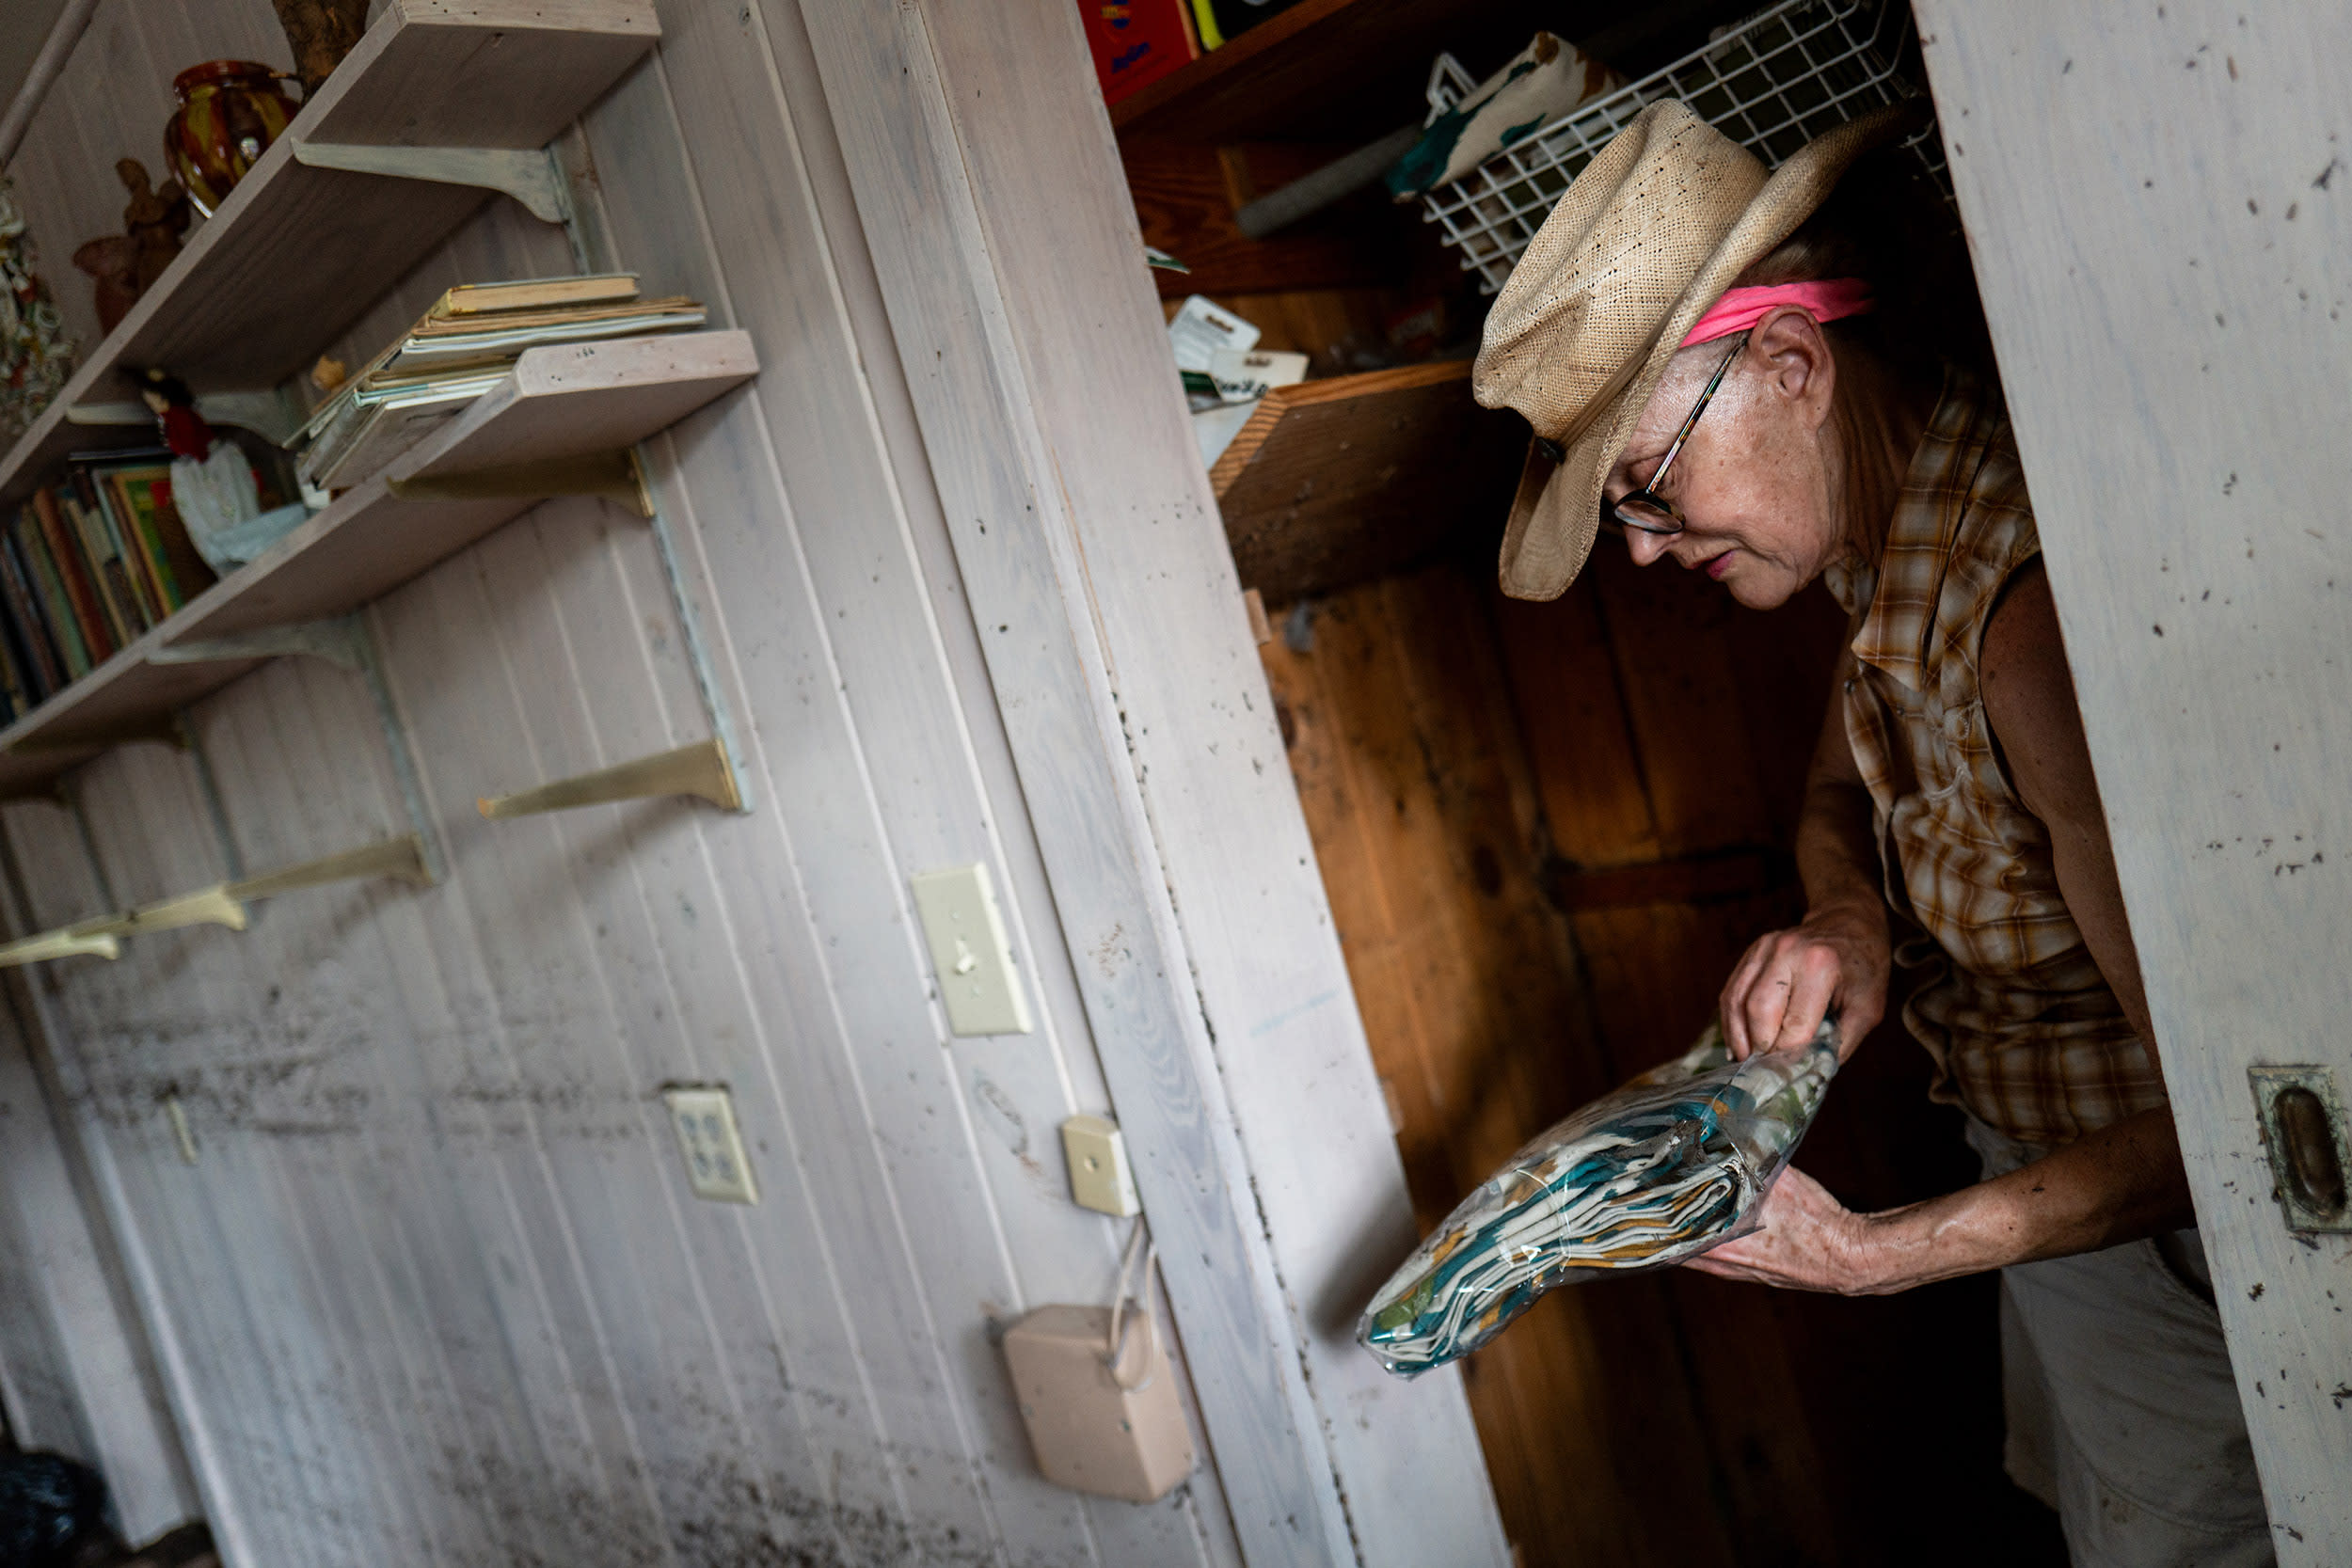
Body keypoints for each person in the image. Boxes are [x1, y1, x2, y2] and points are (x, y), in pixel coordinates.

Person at [1471, 101, 2271, 1566]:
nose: (1639, 545)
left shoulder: (2025, 629)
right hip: (2043, 1196)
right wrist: (1846, 913)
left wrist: (1871, 1258)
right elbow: (1850, 762)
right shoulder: (1886, 529)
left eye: (1645, 482)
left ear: (1790, 365)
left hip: (2175, 1260)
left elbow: (2235, 1131)